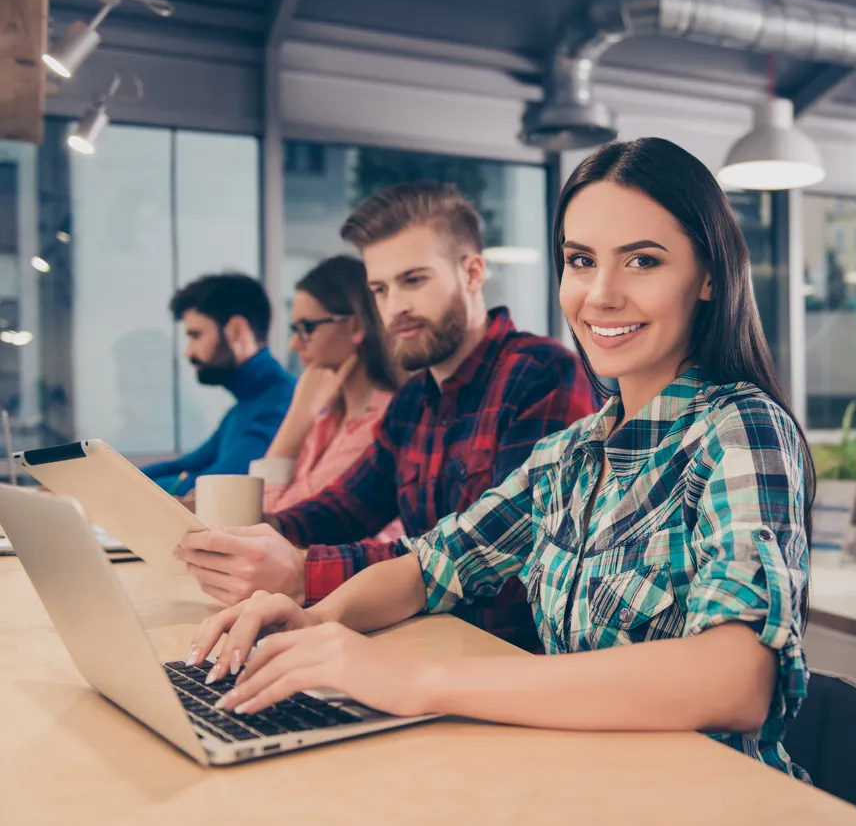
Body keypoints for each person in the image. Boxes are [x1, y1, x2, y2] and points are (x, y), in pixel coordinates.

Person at [181, 137, 815, 778]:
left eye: (643, 261)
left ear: (708, 276)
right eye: (581, 261)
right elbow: (432, 564)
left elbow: (738, 679)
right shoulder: (574, 452)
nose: (600, 294)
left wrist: (421, 680)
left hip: (714, 794)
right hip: (586, 776)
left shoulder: (739, 427)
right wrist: (316, 621)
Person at [174, 183, 599, 652]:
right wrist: (259, 535)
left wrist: (300, 570)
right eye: (380, 288)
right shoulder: (414, 398)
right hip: (421, 643)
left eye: (413, 280)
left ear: (473, 273)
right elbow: (345, 506)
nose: (394, 306)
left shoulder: (543, 374)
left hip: (502, 658)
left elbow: (496, 558)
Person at [246, 256, 403, 543]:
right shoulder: (332, 417)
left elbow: (277, 524)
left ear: (355, 326)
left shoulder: (381, 423)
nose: (295, 343)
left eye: (307, 327)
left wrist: (298, 416)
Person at [142, 273, 296, 496]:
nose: (188, 351)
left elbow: (218, 485)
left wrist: (118, 489)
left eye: (196, 335)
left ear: (236, 330)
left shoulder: (280, 403)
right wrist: (112, 477)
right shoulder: (245, 406)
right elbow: (186, 466)